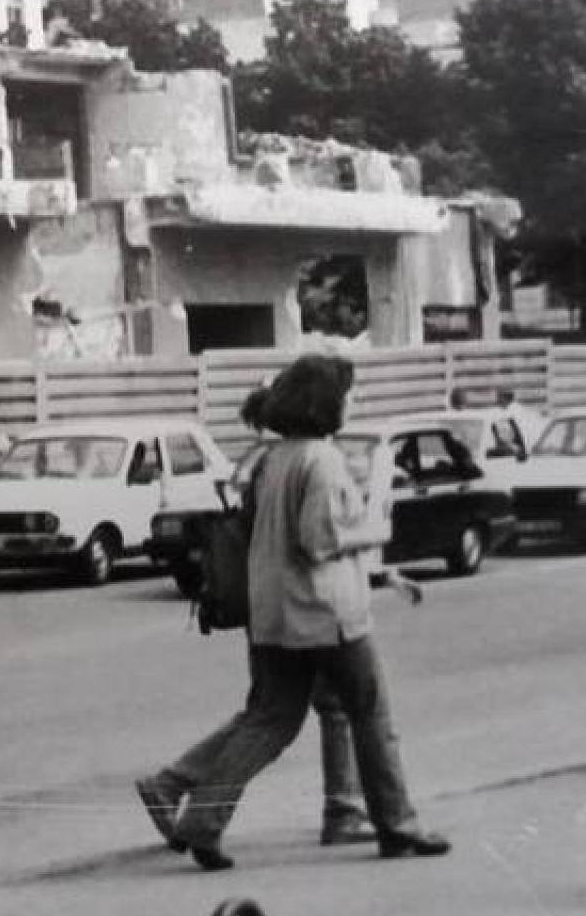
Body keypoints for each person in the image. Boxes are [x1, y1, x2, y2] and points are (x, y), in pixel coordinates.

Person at [136, 355, 449, 872]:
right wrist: (377, 532)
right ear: (325, 403)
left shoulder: (275, 458)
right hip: (328, 613)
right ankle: (397, 826)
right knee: (371, 714)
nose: (354, 402)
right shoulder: (323, 460)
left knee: (269, 721)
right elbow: (318, 541)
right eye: (349, 395)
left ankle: (202, 822)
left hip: (273, 612)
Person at [140, 390, 381, 852]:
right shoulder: (293, 461)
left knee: (267, 714)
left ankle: (175, 786)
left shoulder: (262, 461)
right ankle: (342, 809)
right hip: (297, 608)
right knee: (311, 712)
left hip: (269, 604)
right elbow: (308, 539)